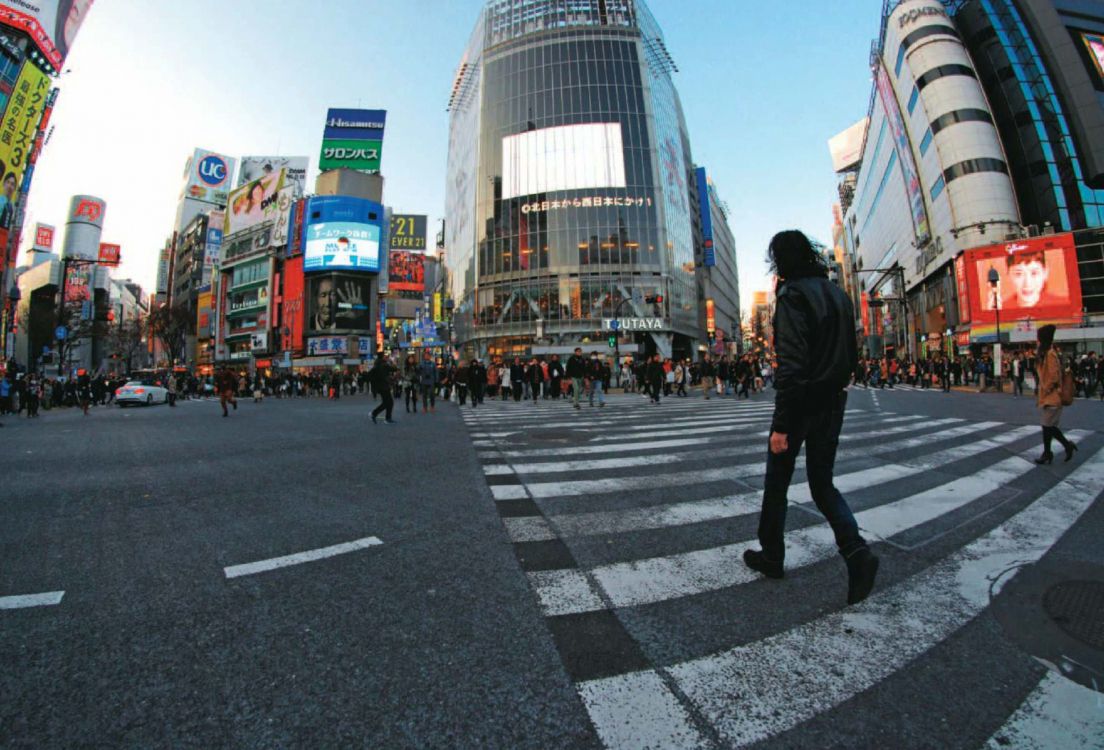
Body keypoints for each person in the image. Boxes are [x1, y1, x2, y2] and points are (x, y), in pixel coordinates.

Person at [743, 230, 878, 606]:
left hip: (800, 403)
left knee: (777, 483)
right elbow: (851, 356)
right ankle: (857, 553)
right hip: (833, 401)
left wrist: (783, 424)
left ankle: (772, 556)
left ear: (780, 260)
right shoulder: (837, 294)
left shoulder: (792, 296)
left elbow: (791, 365)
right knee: (823, 484)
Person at [1033, 325, 1077, 464]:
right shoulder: (1045, 353)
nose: (1037, 341)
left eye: (1038, 338)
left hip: (1052, 396)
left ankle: (1061, 447)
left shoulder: (1050, 354)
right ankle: (1051, 451)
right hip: (1048, 396)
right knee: (1048, 426)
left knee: (1047, 426)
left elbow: (1053, 376)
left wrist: (1046, 389)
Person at [369, 355, 397, 424]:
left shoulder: (377, 364)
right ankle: (375, 414)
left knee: (388, 402)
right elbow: (394, 369)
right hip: (384, 386)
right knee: (388, 402)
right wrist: (393, 361)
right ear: (382, 358)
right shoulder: (384, 364)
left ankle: (386, 417)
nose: (387, 358)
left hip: (380, 387)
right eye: (386, 357)